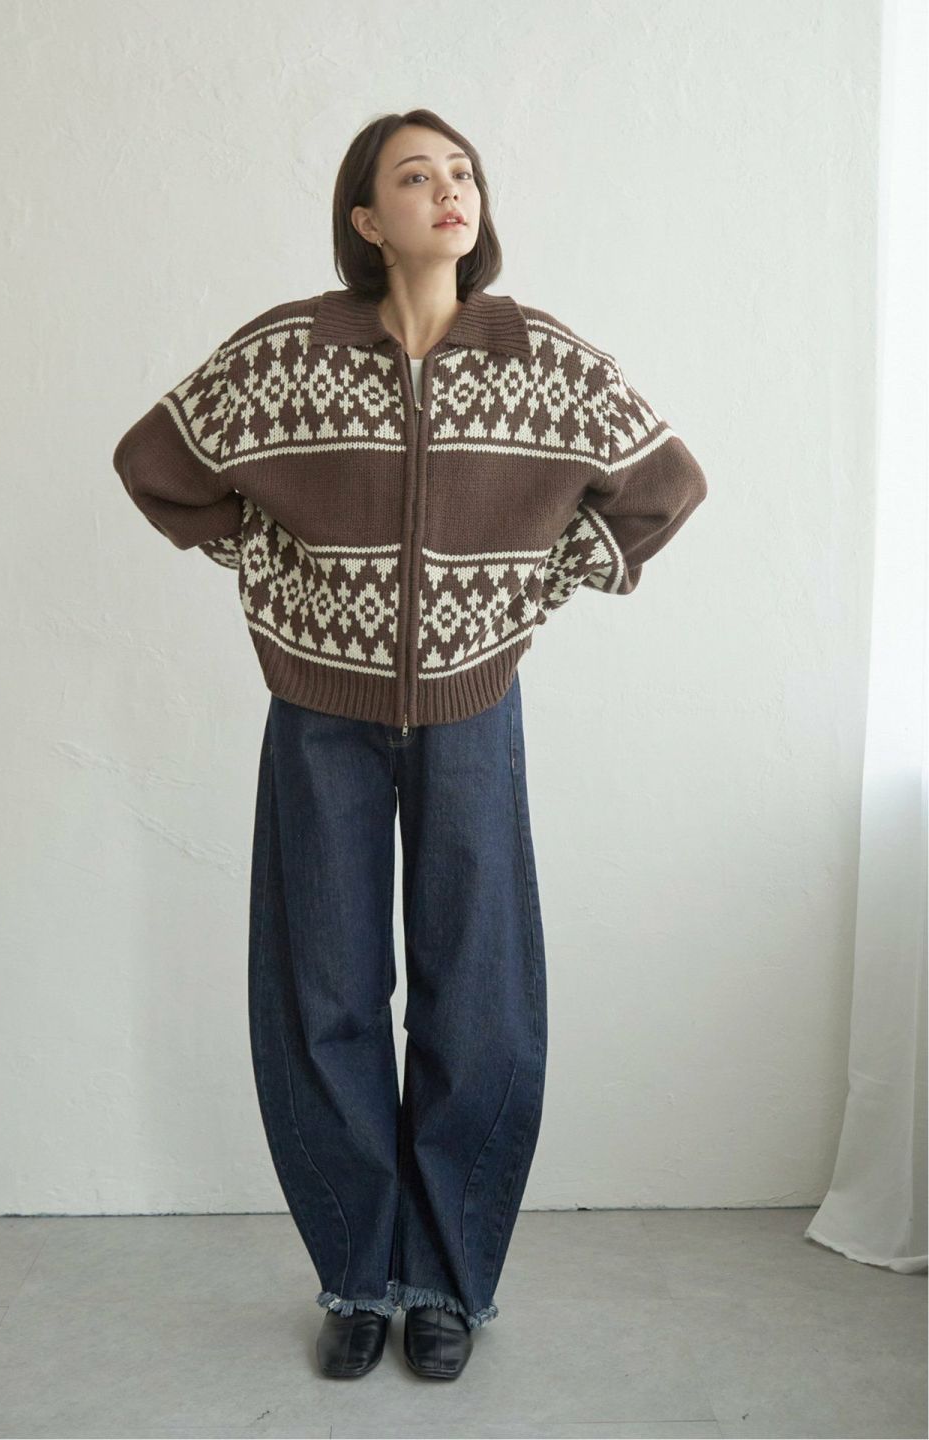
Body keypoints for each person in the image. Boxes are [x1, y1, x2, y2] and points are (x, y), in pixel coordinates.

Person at [112, 108, 708, 1382]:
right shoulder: (291, 351)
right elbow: (157, 463)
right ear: (366, 219)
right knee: (324, 995)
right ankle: (357, 1275)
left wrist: (529, 591)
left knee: (475, 996)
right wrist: (271, 566)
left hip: (472, 710)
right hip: (318, 711)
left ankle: (446, 1279)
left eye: (464, 172)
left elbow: (664, 488)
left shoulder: (539, 359)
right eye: (416, 175)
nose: (450, 190)